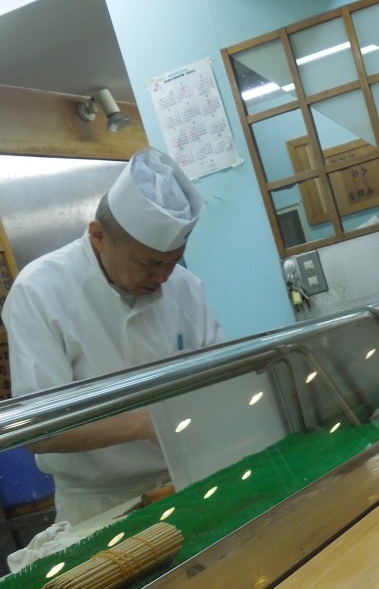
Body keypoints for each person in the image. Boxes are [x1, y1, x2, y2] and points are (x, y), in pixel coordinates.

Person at [2, 147, 223, 524]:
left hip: (189, 475)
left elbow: (221, 376)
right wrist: (143, 424)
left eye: (173, 261)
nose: (162, 277)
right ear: (98, 235)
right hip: (100, 503)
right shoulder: (39, 291)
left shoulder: (184, 287)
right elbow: (40, 430)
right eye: (149, 263)